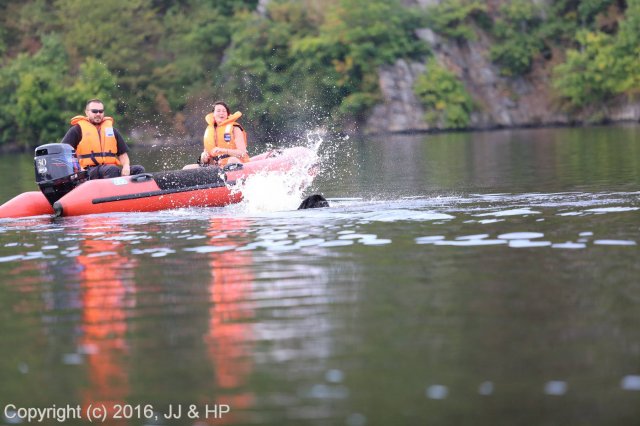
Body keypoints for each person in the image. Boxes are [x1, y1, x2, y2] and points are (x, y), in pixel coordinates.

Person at [61, 99, 145, 179]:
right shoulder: (77, 130)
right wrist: (77, 169)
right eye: (94, 111)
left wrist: (126, 166)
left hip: (110, 169)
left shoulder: (111, 130)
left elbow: (123, 154)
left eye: (101, 111)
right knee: (112, 169)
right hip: (88, 171)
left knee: (139, 169)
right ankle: (112, 193)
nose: (98, 114)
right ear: (86, 112)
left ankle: (137, 193)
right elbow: (63, 152)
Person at [183, 101, 249, 170]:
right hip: (217, 167)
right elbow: (206, 160)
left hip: (236, 162)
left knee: (232, 160)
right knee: (186, 168)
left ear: (227, 114)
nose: (221, 113)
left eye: (224, 111)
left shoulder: (235, 128)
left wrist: (224, 150)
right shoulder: (210, 130)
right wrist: (203, 157)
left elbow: (242, 153)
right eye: (218, 111)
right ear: (213, 114)